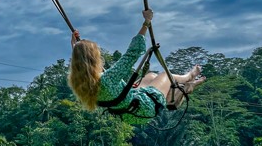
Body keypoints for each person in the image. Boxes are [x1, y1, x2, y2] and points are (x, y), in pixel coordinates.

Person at [68, 9, 206, 123]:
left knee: (151, 76)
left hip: (129, 113)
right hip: (145, 107)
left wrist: (76, 47)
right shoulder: (107, 79)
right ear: (94, 59)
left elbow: (82, 65)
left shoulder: (82, 84)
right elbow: (131, 55)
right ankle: (189, 77)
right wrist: (146, 23)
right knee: (164, 76)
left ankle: (182, 91)